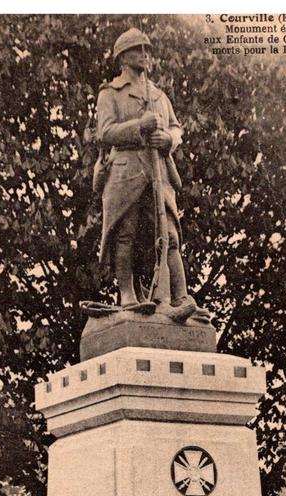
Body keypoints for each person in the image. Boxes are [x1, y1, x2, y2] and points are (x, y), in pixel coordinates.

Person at [93, 27, 207, 322]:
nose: (145, 55)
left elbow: (176, 128)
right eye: (138, 50)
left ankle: (180, 298)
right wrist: (139, 126)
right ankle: (128, 295)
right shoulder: (111, 93)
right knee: (125, 233)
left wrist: (169, 140)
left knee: (169, 235)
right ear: (123, 57)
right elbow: (105, 133)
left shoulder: (158, 95)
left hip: (159, 171)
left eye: (147, 50)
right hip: (126, 171)